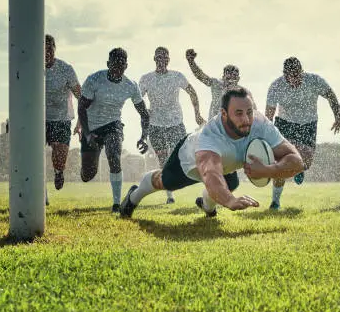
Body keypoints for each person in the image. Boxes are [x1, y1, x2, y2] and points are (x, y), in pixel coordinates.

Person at [119, 87, 304, 219]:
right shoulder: (210, 137)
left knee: (229, 183)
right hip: (188, 160)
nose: (246, 119)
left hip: (224, 166)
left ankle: (207, 207)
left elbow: (297, 162)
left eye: (249, 111)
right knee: (165, 182)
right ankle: (133, 195)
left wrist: (268, 171)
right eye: (238, 113)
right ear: (224, 114)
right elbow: (210, 174)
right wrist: (230, 201)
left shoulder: (261, 124)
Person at [77, 47, 150, 212]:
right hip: (91, 127)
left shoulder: (131, 86)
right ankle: (84, 170)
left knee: (114, 154)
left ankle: (116, 204)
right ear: (108, 64)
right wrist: (87, 134)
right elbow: (81, 108)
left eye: (121, 65)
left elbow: (144, 114)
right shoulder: (94, 79)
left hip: (113, 125)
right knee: (88, 175)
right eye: (114, 65)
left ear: (126, 66)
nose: (117, 69)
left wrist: (144, 137)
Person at [265, 57, 340, 210]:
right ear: (285, 75)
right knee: (281, 163)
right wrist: (265, 136)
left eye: (298, 75)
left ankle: (299, 168)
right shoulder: (276, 86)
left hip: (308, 124)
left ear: (302, 72)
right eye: (291, 77)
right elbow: (268, 115)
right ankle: (275, 202)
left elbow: (331, 96)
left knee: (306, 162)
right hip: (284, 123)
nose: (295, 80)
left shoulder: (314, 80)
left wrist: (338, 116)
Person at [139, 46, 205, 204]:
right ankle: (170, 195)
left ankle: (203, 182)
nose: (162, 60)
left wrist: (197, 114)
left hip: (175, 123)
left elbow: (192, 92)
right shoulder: (146, 79)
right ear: (154, 59)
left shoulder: (177, 76)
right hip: (155, 125)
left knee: (182, 155)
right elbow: (138, 100)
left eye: (165, 57)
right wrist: (144, 114)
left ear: (168, 60)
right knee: (163, 160)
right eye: (159, 57)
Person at [44, 34, 81, 194]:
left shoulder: (66, 69)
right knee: (34, 156)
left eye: (49, 49)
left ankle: (59, 172)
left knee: (59, 157)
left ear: (54, 49)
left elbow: (81, 97)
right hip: (39, 119)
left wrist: (81, 122)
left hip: (62, 119)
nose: (46, 52)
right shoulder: (32, 68)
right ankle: (39, 191)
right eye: (43, 49)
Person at [185, 48, 246, 119]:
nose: (231, 81)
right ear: (223, 77)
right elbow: (200, 76)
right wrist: (191, 62)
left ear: (238, 79)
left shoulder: (242, 92)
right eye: (228, 77)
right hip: (215, 125)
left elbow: (252, 111)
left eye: (234, 77)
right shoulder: (216, 84)